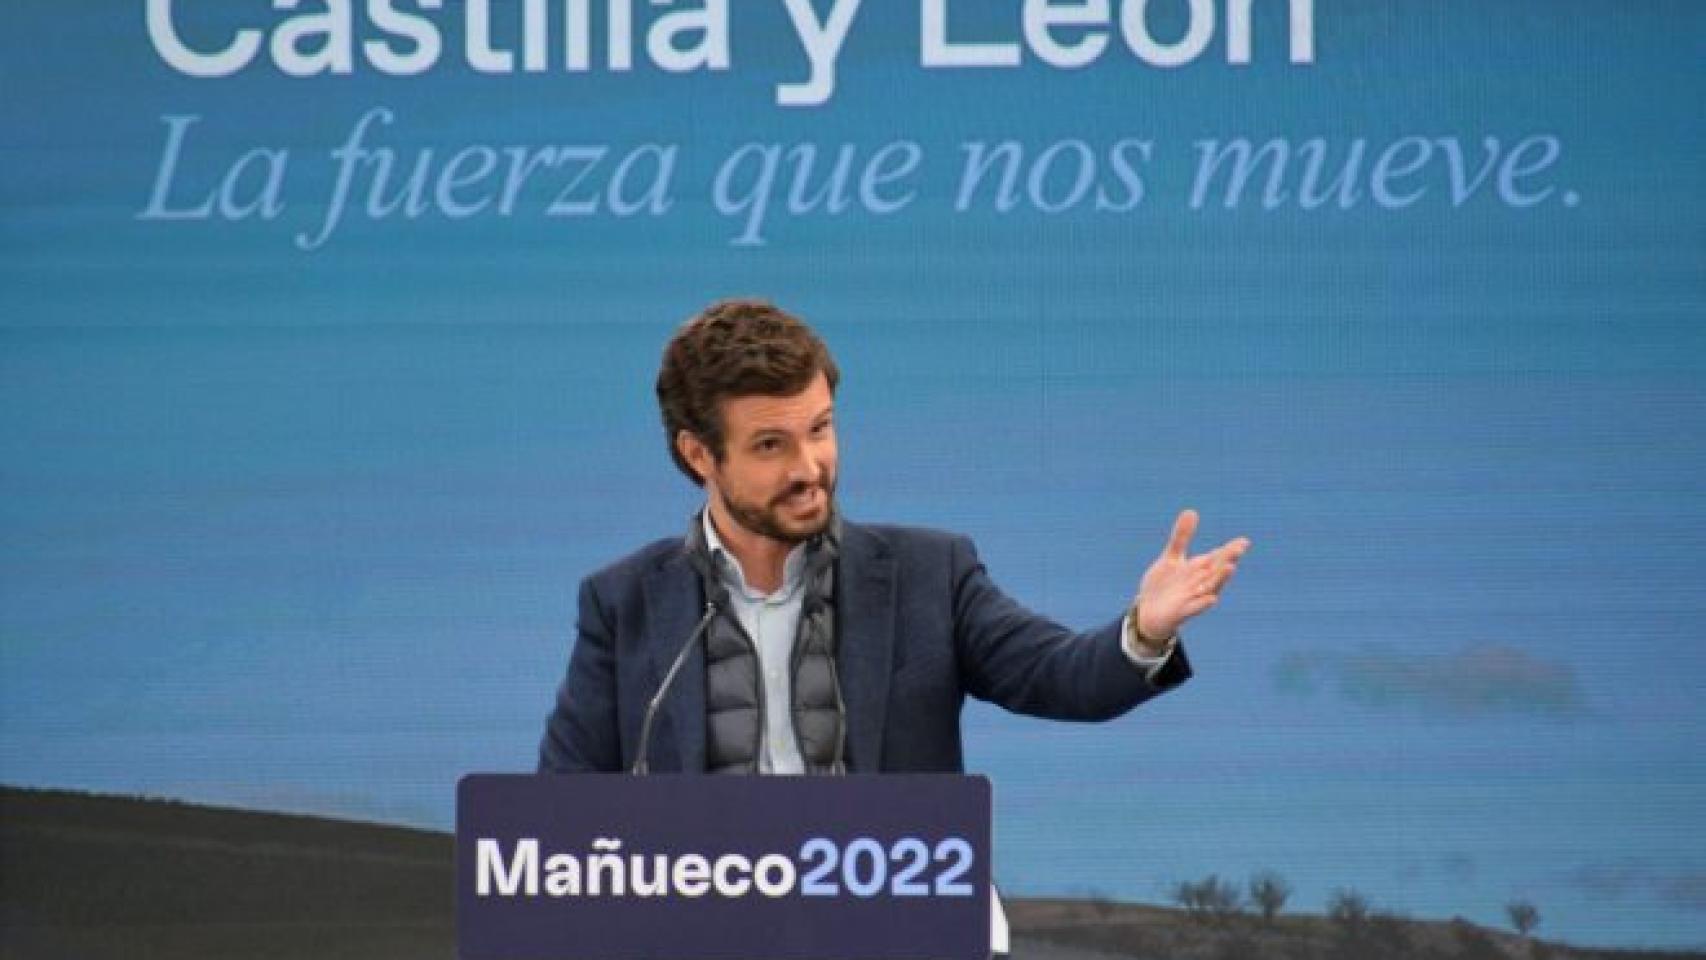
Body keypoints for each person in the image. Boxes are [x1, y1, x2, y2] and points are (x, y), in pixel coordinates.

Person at [539, 299, 1249, 774]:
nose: (809, 466)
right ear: (700, 455)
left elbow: (1059, 676)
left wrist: (1144, 632)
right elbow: (554, 817)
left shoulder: (928, 575)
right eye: (770, 446)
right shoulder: (624, 603)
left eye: (820, 429)